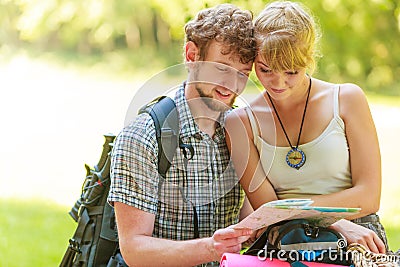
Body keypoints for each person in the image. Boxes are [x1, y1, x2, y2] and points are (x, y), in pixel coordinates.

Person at [225, 1, 390, 254]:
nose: (278, 83)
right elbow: (268, 210)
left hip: (359, 239)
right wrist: (337, 222)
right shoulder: (240, 123)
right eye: (265, 69)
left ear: (309, 58)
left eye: (291, 71)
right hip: (287, 242)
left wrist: (292, 210)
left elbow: (369, 195)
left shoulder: (347, 100)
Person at [107, 4, 256, 267]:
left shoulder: (243, 131)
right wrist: (212, 248)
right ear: (191, 55)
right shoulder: (142, 136)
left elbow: (251, 223)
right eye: (222, 68)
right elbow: (134, 248)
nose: (232, 86)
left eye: (242, 74)